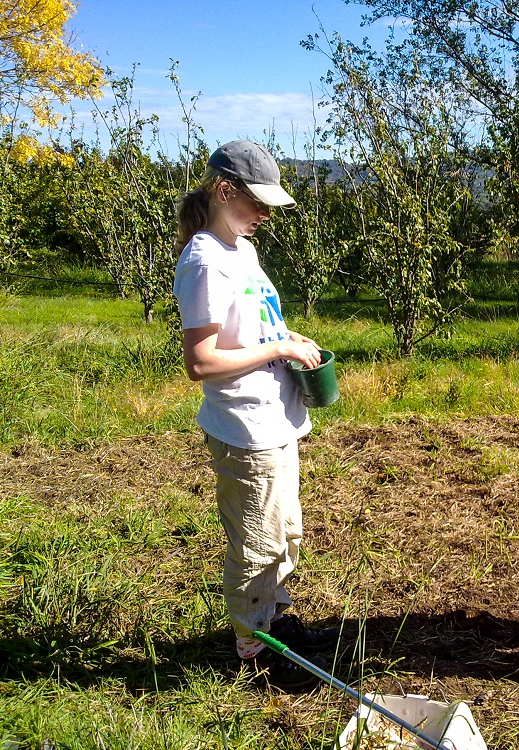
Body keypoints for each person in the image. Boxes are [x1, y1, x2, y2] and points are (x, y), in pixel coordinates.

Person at [172, 140, 337, 689]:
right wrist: (278, 351)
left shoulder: (241, 248)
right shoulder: (203, 261)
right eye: (257, 204)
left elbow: (258, 321)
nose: (265, 215)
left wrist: (289, 335)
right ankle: (254, 650)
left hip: (276, 418)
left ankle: (277, 622)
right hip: (245, 427)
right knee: (256, 543)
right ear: (224, 191)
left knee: (284, 532)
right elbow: (202, 361)